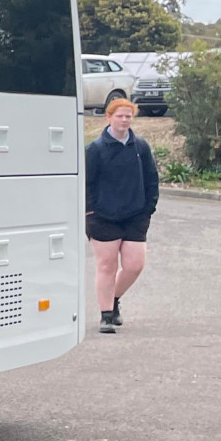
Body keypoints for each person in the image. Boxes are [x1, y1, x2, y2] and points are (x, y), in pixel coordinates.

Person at [85, 98, 158, 334]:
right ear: (109, 117)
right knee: (106, 265)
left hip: (135, 215)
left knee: (134, 265)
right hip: (103, 217)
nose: (124, 120)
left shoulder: (141, 147)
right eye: (120, 115)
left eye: (128, 116)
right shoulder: (95, 149)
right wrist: (90, 211)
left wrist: (149, 208)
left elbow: (151, 179)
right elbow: (86, 184)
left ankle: (114, 298)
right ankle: (106, 315)